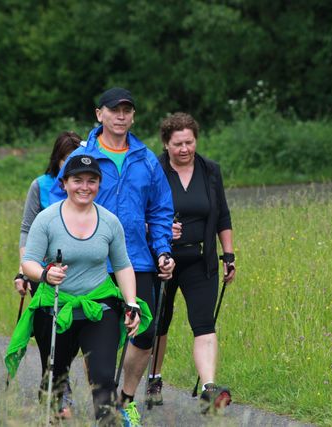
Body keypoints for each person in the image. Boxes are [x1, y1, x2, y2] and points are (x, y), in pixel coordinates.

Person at [51, 87, 175, 423]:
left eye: (127, 110)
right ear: (99, 114)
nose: (121, 116)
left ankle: (126, 399)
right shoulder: (84, 156)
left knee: (145, 333)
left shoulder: (145, 159)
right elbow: (58, 200)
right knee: (95, 337)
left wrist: (163, 250)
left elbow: (161, 209)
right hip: (92, 261)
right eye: (114, 110)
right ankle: (103, 403)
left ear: (133, 116)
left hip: (137, 260)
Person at [5, 155, 152, 424]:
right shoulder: (47, 219)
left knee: (103, 378)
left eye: (91, 181)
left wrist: (131, 302)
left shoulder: (109, 221)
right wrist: (46, 274)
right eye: (77, 180)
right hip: (55, 307)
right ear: (64, 183)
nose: (85, 187)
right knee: (55, 379)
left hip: (98, 307)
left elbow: (123, 265)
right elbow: (29, 263)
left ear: (99, 184)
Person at [147, 112, 235, 413]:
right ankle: (154, 379)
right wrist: (159, 229)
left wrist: (228, 255)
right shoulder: (153, 170)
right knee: (160, 323)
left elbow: (222, 215)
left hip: (200, 259)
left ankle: (209, 389)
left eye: (189, 142)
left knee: (204, 322)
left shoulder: (210, 170)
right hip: (161, 261)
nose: (184, 149)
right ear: (166, 144)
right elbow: (139, 214)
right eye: (178, 144)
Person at [13, 130, 81, 415]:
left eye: (76, 158)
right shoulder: (40, 186)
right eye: (66, 159)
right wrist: (23, 271)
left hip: (78, 273)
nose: (71, 165)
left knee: (71, 338)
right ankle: (58, 390)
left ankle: (55, 383)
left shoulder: (87, 187)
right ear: (57, 159)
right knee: (48, 335)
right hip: (42, 272)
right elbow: (26, 229)